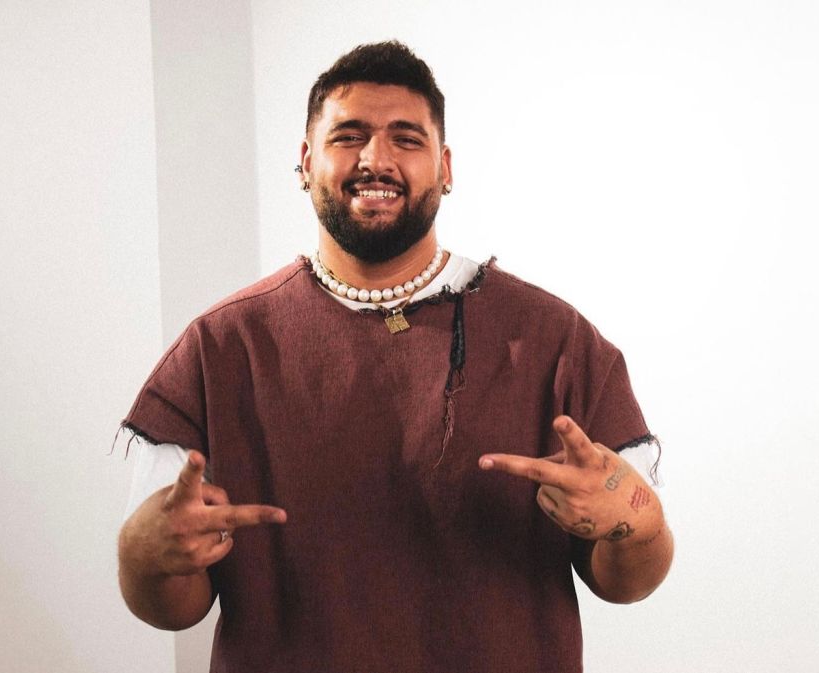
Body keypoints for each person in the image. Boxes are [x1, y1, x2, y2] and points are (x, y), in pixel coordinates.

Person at [117, 41, 673, 672]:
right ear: (306, 162)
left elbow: (629, 581)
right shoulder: (218, 348)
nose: (375, 160)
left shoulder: (556, 340)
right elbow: (172, 608)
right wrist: (145, 556)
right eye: (348, 136)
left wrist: (636, 522)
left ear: (445, 167)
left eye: (406, 139)